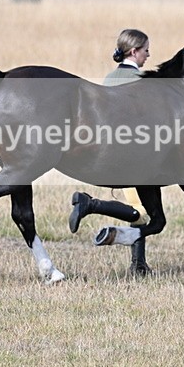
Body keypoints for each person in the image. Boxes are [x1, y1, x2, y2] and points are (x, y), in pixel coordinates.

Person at [69, 28, 152, 274]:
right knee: (142, 214)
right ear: (135, 52)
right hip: (133, 157)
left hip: (111, 153)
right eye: (146, 50)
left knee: (141, 214)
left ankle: (139, 265)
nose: (149, 55)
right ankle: (90, 204)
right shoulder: (141, 83)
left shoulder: (110, 78)